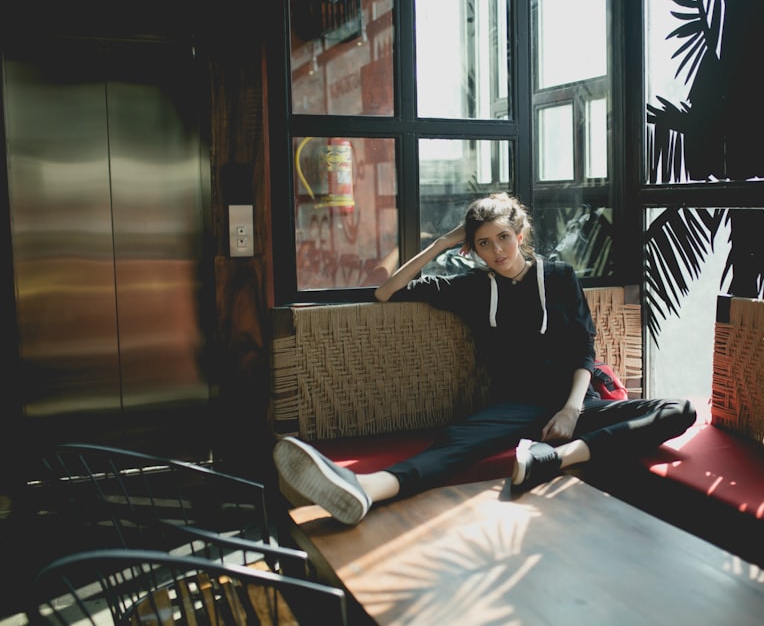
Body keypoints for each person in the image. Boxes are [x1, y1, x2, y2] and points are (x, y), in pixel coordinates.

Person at [272, 193, 696, 525]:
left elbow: (584, 348)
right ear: (472, 250)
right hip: (512, 408)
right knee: (454, 445)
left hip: (574, 406)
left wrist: (570, 410)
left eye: (503, 238)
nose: (497, 251)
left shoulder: (562, 277)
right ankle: (363, 488)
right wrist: (441, 243)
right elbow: (387, 292)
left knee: (679, 410)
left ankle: (554, 459)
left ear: (520, 235)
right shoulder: (473, 288)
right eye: (484, 244)